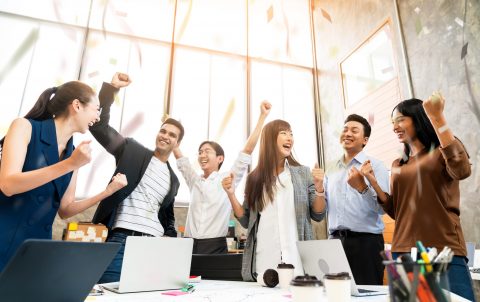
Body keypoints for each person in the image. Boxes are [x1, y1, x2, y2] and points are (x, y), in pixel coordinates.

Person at [0, 80, 127, 272]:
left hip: (36, 248)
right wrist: (70, 164)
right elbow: (8, 184)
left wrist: (107, 192)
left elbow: (65, 209)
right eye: (96, 109)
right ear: (77, 105)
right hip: (4, 238)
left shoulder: (72, 152)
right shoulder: (24, 127)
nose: (98, 117)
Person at [362, 94, 474, 300]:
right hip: (403, 251)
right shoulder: (398, 164)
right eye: (392, 123)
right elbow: (397, 210)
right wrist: (373, 183)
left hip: (442, 249)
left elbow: (462, 170)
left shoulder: (442, 149)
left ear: (418, 118)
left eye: (400, 120)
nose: (395, 127)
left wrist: (438, 117)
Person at [90, 72, 184, 283]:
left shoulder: (173, 180)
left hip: (154, 246)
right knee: (106, 292)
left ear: (177, 144)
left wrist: (170, 235)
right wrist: (110, 90)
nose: (165, 136)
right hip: (123, 238)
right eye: (163, 131)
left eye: (172, 135)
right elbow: (99, 127)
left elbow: (168, 215)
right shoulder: (131, 151)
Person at [221, 119, 326, 281]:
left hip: (297, 258)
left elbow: (318, 214)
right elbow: (245, 219)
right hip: (265, 256)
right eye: (283, 133)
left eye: (291, 134)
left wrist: (319, 189)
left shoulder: (303, 173)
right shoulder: (254, 178)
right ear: (270, 139)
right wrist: (231, 194)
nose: (289, 138)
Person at [173, 101, 271, 254]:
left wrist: (262, 116)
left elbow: (247, 151)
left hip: (215, 246)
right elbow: (182, 161)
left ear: (220, 158)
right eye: (200, 152)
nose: (202, 155)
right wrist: (172, 134)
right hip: (188, 245)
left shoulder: (227, 179)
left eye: (207, 151)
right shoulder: (194, 180)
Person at [319, 114, 389, 285]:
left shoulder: (375, 165)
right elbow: (322, 209)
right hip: (335, 242)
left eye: (354, 131)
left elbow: (382, 208)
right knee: (335, 295)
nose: (348, 133)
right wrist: (317, 188)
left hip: (367, 244)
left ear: (364, 140)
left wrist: (362, 187)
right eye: (345, 130)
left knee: (367, 295)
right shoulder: (330, 168)